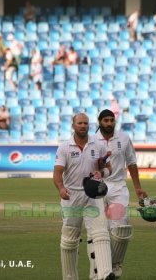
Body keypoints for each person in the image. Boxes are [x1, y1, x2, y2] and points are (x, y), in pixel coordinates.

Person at [53, 113, 116, 280]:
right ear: (73, 125)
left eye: (86, 123)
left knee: (100, 232)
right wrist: (61, 188)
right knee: (70, 239)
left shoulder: (98, 145)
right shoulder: (65, 147)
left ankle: (104, 275)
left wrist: (101, 171)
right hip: (71, 196)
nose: (83, 126)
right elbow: (58, 173)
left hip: (92, 195)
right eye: (80, 123)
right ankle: (69, 277)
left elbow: (110, 169)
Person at [94, 109, 147, 279]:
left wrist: (138, 188)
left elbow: (131, 163)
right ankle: (106, 271)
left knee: (121, 228)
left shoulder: (123, 138)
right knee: (102, 231)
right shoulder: (92, 140)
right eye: (106, 120)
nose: (109, 123)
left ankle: (113, 267)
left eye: (111, 120)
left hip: (118, 188)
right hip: (98, 188)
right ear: (100, 121)